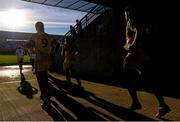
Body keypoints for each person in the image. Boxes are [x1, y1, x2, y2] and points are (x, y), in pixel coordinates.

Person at [123, 6, 170, 117]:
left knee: (125, 71)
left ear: (127, 13)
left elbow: (138, 30)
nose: (124, 16)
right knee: (149, 81)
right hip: (142, 54)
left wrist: (133, 45)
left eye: (125, 13)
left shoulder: (130, 21)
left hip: (136, 54)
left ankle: (136, 102)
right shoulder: (136, 21)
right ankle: (163, 105)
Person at [26, 21, 56, 107]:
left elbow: (29, 45)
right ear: (43, 27)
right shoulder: (49, 36)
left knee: (40, 79)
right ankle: (45, 94)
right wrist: (52, 54)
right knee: (45, 76)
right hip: (47, 59)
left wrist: (30, 48)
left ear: (36, 27)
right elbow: (56, 45)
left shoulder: (34, 36)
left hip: (39, 60)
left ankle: (45, 95)